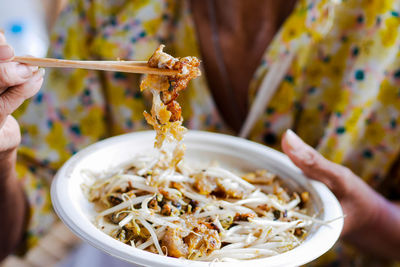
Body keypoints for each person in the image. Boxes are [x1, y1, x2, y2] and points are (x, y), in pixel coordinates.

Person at [0, 0, 400, 265]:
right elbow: (15, 233)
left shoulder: (388, 27)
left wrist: (369, 218)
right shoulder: (108, 10)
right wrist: (3, 153)